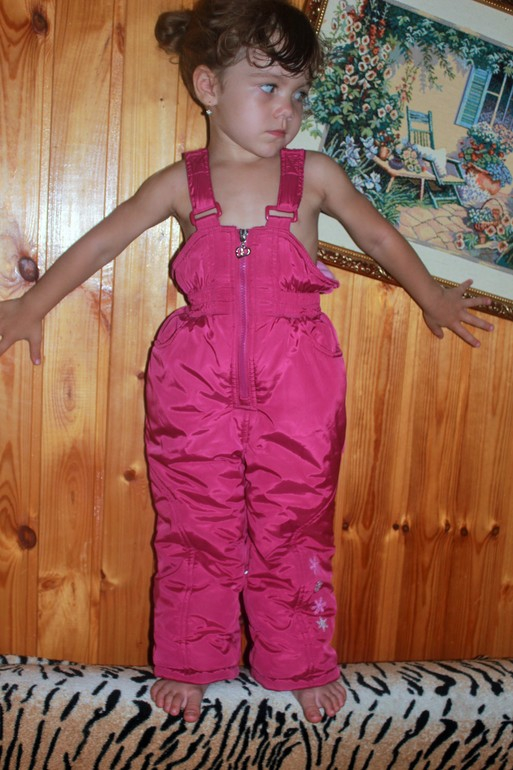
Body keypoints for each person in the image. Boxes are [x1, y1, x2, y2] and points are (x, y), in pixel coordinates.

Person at [0, 0, 493, 725]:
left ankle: (300, 659)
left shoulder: (314, 175)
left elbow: (381, 238)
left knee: (294, 524)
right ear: (208, 87)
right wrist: (32, 306)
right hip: (192, 382)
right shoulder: (180, 183)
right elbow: (103, 241)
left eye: (299, 94)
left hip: (298, 380)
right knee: (194, 525)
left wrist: (432, 299)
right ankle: (190, 660)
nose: (287, 110)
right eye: (268, 87)